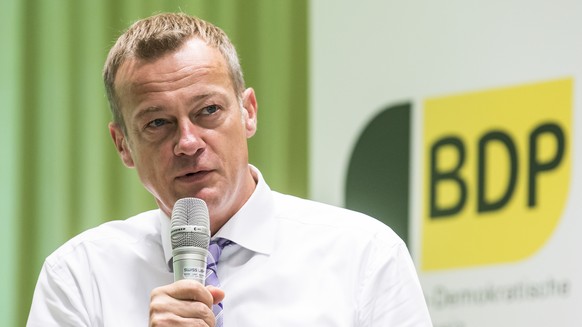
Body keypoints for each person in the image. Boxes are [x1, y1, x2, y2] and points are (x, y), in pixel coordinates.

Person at [27, 12, 432, 326]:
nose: (187, 142)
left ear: (248, 112)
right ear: (123, 145)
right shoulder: (78, 276)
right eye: (157, 123)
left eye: (208, 111)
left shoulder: (364, 255)